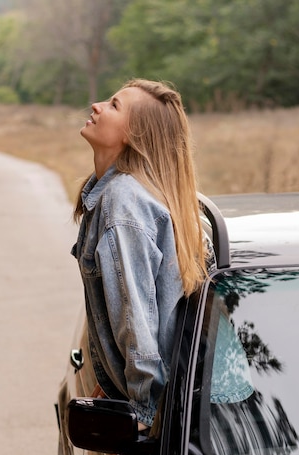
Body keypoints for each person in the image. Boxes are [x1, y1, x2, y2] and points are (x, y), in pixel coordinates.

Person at [71, 78, 213, 432]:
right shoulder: (117, 195)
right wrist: (118, 384)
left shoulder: (123, 204)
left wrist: (139, 413)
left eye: (114, 105)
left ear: (134, 136)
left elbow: (137, 323)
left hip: (187, 418)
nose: (97, 106)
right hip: (197, 401)